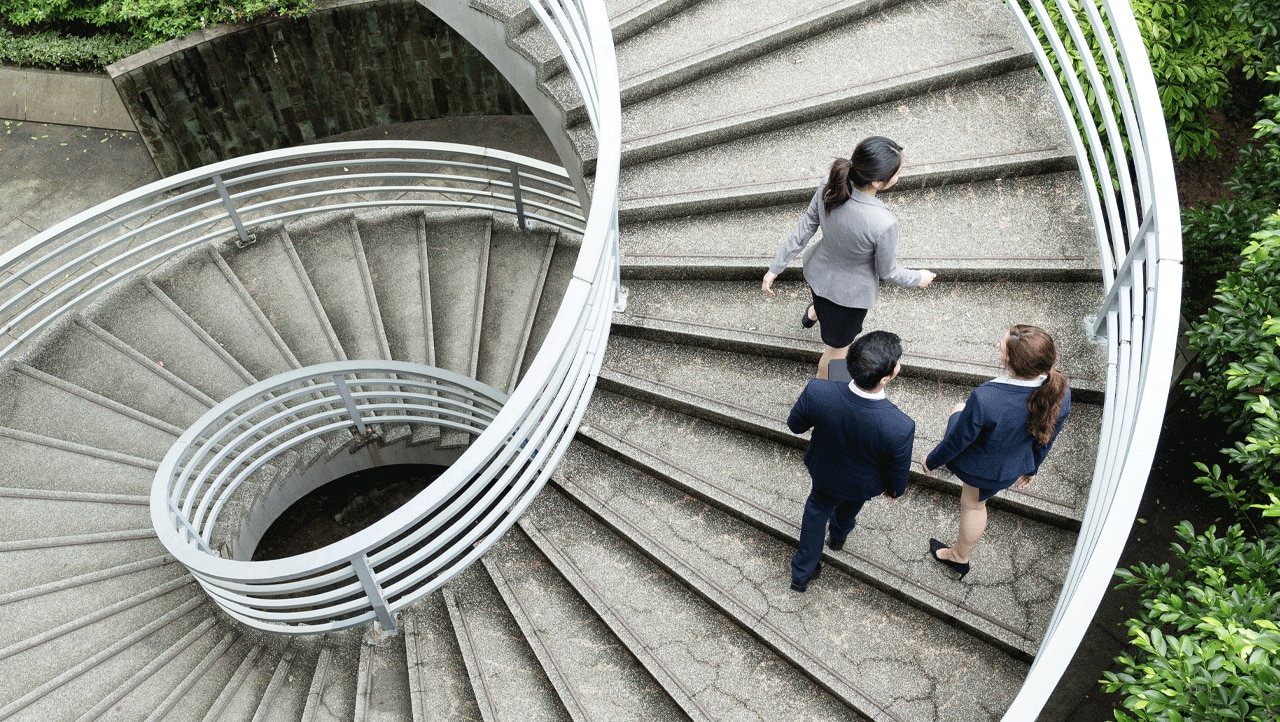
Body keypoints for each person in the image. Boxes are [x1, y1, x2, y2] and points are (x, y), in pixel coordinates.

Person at [762, 136, 936, 379]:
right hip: (848, 298)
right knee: (838, 349)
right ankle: (822, 390)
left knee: (821, 303)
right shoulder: (883, 223)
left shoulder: (830, 183)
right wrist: (918, 278)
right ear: (877, 182)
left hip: (817, 271)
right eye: (896, 173)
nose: (898, 177)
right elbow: (888, 271)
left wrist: (776, 267)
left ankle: (816, 313)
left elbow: (806, 226)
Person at [923, 324, 1071, 580]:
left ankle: (959, 557)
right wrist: (1032, 467)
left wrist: (932, 460)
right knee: (960, 410)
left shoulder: (987, 398)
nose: (997, 347)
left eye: (1002, 348)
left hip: (985, 470)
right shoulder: (1061, 390)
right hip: (1013, 463)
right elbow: (1048, 436)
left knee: (973, 506)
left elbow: (960, 439)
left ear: (1013, 363)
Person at [787, 330, 915, 592]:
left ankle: (801, 573)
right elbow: (898, 468)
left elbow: (795, 425)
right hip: (862, 483)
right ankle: (838, 537)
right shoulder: (900, 426)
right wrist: (895, 489)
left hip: (825, 471)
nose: (899, 364)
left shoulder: (818, 392)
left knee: (814, 513)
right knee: (848, 510)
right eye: (897, 362)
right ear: (884, 378)